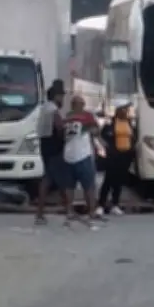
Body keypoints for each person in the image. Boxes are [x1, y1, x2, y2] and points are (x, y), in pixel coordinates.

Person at [62, 94, 102, 226]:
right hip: (83, 155)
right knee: (88, 185)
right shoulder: (87, 116)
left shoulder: (67, 117)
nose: (82, 106)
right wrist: (90, 128)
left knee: (69, 186)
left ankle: (69, 211)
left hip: (68, 156)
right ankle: (91, 211)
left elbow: (63, 133)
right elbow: (95, 131)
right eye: (80, 103)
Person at [35, 80, 70, 224]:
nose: (62, 99)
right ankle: (68, 211)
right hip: (54, 148)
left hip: (45, 146)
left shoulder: (43, 108)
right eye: (61, 96)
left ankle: (42, 213)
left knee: (50, 179)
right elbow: (60, 128)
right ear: (56, 96)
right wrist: (66, 131)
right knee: (59, 180)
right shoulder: (53, 110)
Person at [97, 104, 136, 216]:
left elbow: (133, 137)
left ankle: (115, 204)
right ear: (118, 111)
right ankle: (101, 205)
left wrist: (132, 149)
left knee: (119, 181)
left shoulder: (129, 123)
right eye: (123, 109)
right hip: (113, 155)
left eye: (126, 110)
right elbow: (103, 136)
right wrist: (108, 147)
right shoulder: (111, 123)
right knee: (108, 180)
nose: (125, 112)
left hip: (125, 155)